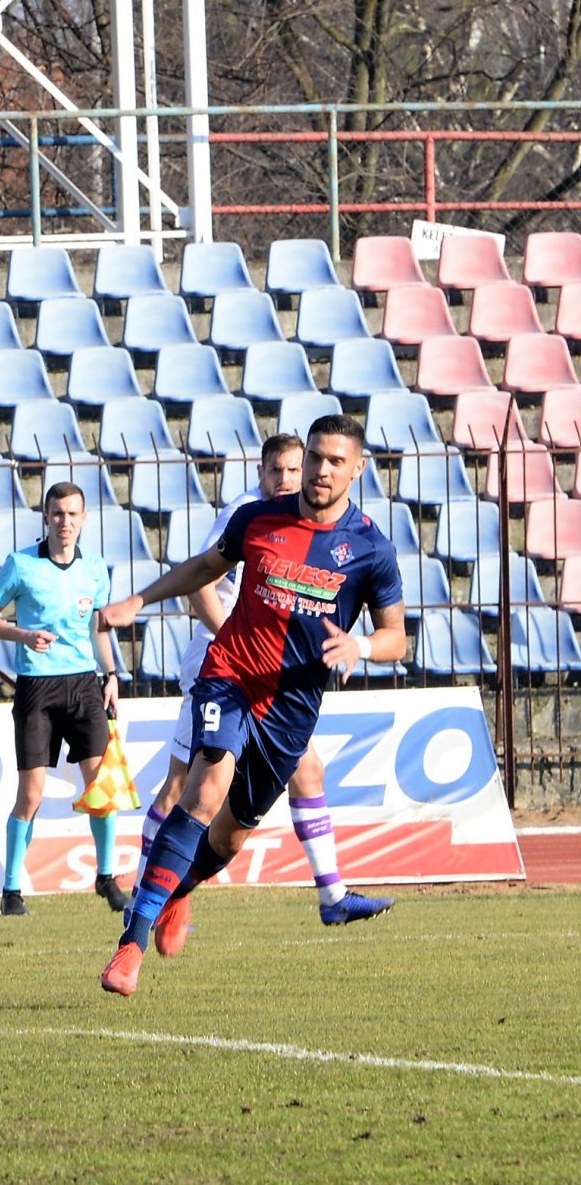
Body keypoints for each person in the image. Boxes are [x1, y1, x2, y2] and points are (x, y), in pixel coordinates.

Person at [97, 414, 403, 997]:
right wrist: (139, 598)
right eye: (314, 456)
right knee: (205, 785)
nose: (319, 470)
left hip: (290, 709)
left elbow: (397, 636)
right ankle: (129, 948)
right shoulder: (258, 518)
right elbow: (205, 569)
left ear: (357, 469)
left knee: (230, 839)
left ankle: (174, 893)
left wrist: (360, 644)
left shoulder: (370, 549)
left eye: (335, 461)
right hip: (230, 674)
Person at [0, 481, 127, 917]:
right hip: (37, 687)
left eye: (73, 514)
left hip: (84, 685)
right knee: (32, 794)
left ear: (84, 519)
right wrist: (23, 634)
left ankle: (106, 877)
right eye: (57, 514)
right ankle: (11, 890)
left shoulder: (95, 568)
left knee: (102, 788)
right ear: (46, 517)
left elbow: (99, 626)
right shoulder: (21, 564)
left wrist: (112, 674)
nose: (65, 522)